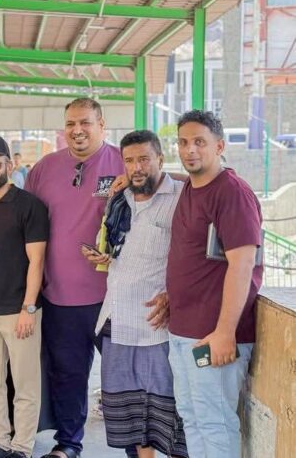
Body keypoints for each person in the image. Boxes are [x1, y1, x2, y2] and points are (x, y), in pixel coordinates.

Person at [24, 98, 124, 458]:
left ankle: (135, 447)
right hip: (59, 297)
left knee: (122, 378)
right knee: (68, 375)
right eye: (70, 124)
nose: (77, 130)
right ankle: (68, 444)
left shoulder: (123, 163)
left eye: (85, 123)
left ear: (102, 125)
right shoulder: (44, 169)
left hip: (112, 299)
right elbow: (26, 227)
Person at [81, 131, 188, 458]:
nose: (136, 167)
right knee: (130, 410)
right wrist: (104, 256)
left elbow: (217, 179)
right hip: (116, 317)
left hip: (154, 322)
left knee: (164, 406)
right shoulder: (119, 198)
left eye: (144, 159)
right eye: (129, 161)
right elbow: (119, 246)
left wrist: (173, 294)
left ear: (160, 159)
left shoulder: (182, 196)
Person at [167, 110, 262, 458]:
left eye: (199, 142)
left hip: (212, 334)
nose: (189, 149)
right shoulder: (192, 188)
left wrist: (225, 332)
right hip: (182, 331)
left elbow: (243, 265)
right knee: (191, 418)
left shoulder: (233, 193)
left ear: (219, 146)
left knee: (215, 422)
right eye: (183, 142)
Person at [0, 136, 49, 458]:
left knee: (25, 384)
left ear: (10, 164)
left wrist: (28, 308)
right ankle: (0, 441)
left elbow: (37, 261)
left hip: (19, 309)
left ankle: (22, 447)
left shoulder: (30, 206)